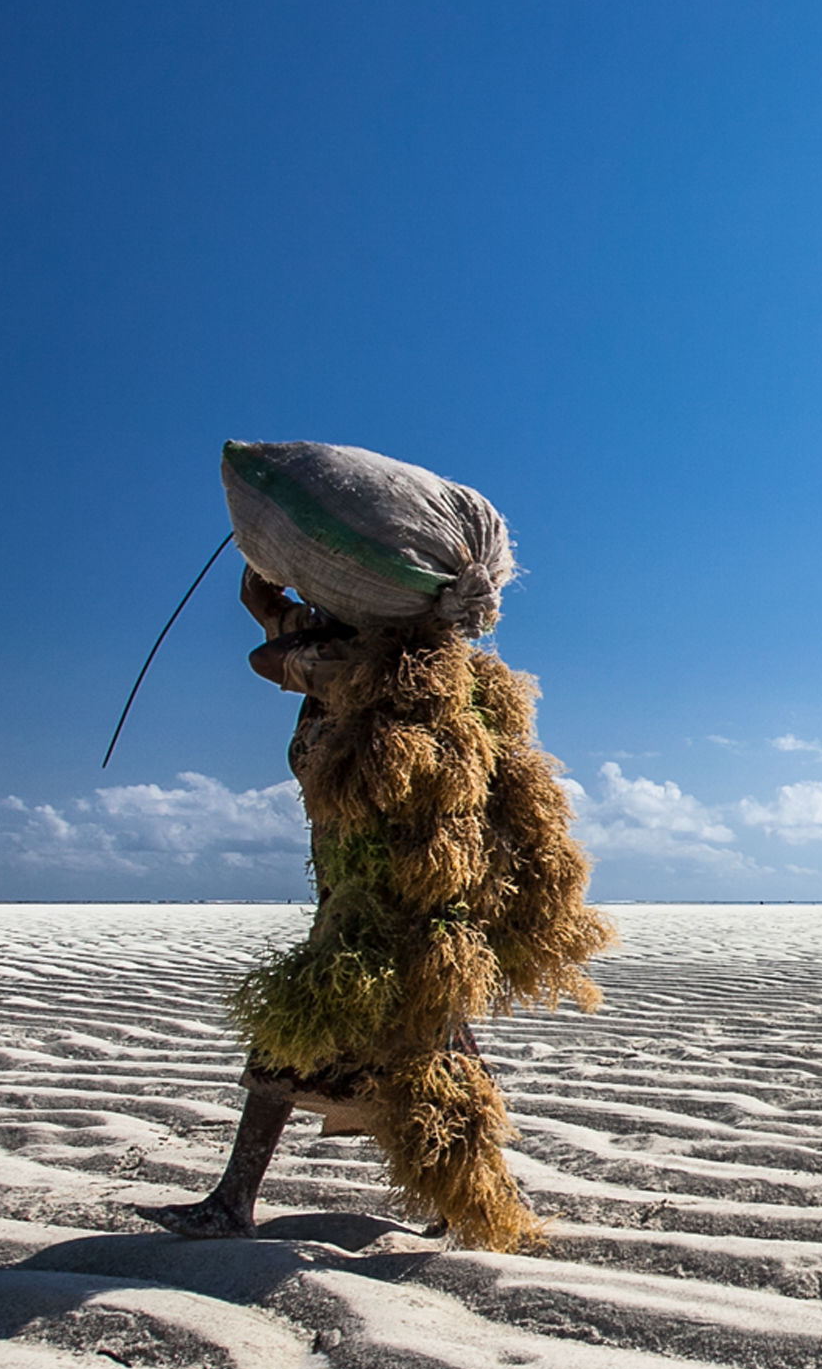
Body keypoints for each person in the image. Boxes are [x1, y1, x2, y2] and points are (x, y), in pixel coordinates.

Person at [144, 525, 611, 1246]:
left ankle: (244, 1202)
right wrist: (267, 542)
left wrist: (308, 618)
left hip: (394, 894)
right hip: (356, 887)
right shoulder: (350, 648)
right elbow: (260, 607)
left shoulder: (381, 671)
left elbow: (265, 658)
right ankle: (464, 1201)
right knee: (407, 1039)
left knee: (342, 1030)